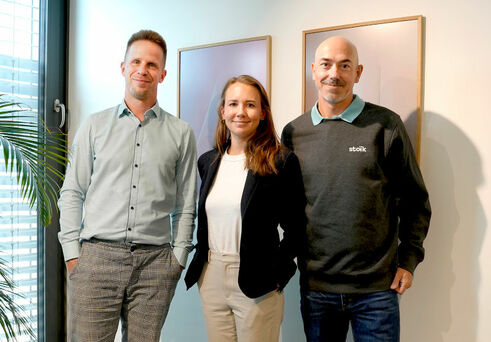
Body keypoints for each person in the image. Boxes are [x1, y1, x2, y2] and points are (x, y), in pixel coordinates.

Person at [281, 36, 431, 342]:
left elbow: (415, 199)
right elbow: (288, 208)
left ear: (357, 73)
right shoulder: (294, 133)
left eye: (344, 65)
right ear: (313, 70)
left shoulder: (385, 125)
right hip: (317, 289)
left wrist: (409, 258)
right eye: (325, 64)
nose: (333, 73)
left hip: (376, 291)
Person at [58, 30, 197, 342]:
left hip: (155, 265)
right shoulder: (94, 125)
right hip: (95, 260)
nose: (142, 69)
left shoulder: (181, 133)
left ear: (162, 73)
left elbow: (186, 204)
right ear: (123, 67)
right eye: (136, 61)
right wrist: (72, 256)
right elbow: (72, 192)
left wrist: (177, 261)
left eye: (151, 64)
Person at [184, 75, 306, 342]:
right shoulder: (208, 161)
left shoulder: (281, 160)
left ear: (262, 113)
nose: (241, 112)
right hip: (212, 275)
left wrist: (278, 273)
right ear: (223, 111)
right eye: (233, 104)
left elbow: (297, 227)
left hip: (259, 278)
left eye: (250, 105)